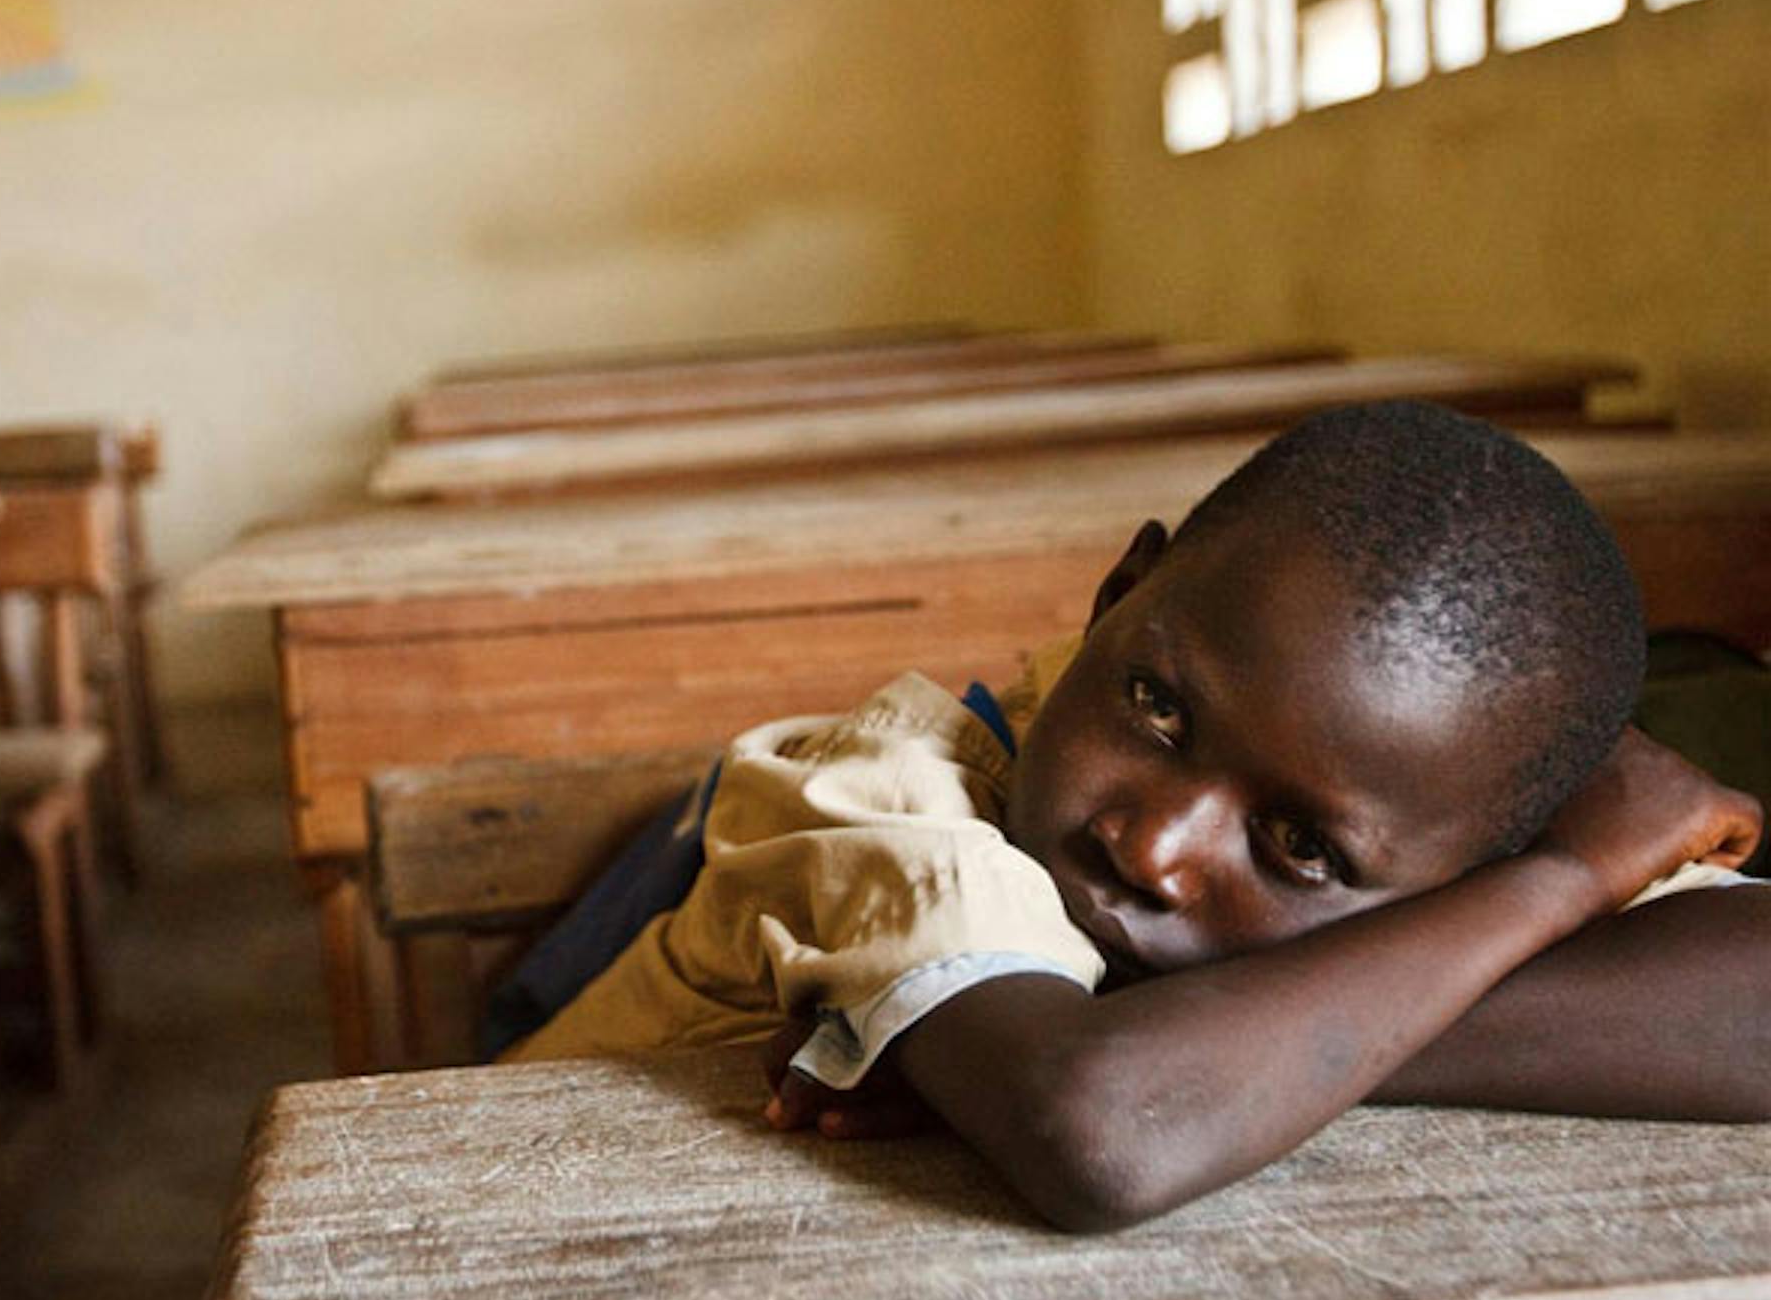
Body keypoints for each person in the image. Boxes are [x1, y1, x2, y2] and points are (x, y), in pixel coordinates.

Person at [501, 402, 1770, 1231]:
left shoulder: (1431, 841)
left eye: (1298, 849)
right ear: (1122, 589)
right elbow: (1103, 1129)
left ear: (1457, 871)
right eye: (1160, 708)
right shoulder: (883, 788)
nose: (1153, 846)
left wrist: (1284, 1046)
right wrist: (1554, 888)